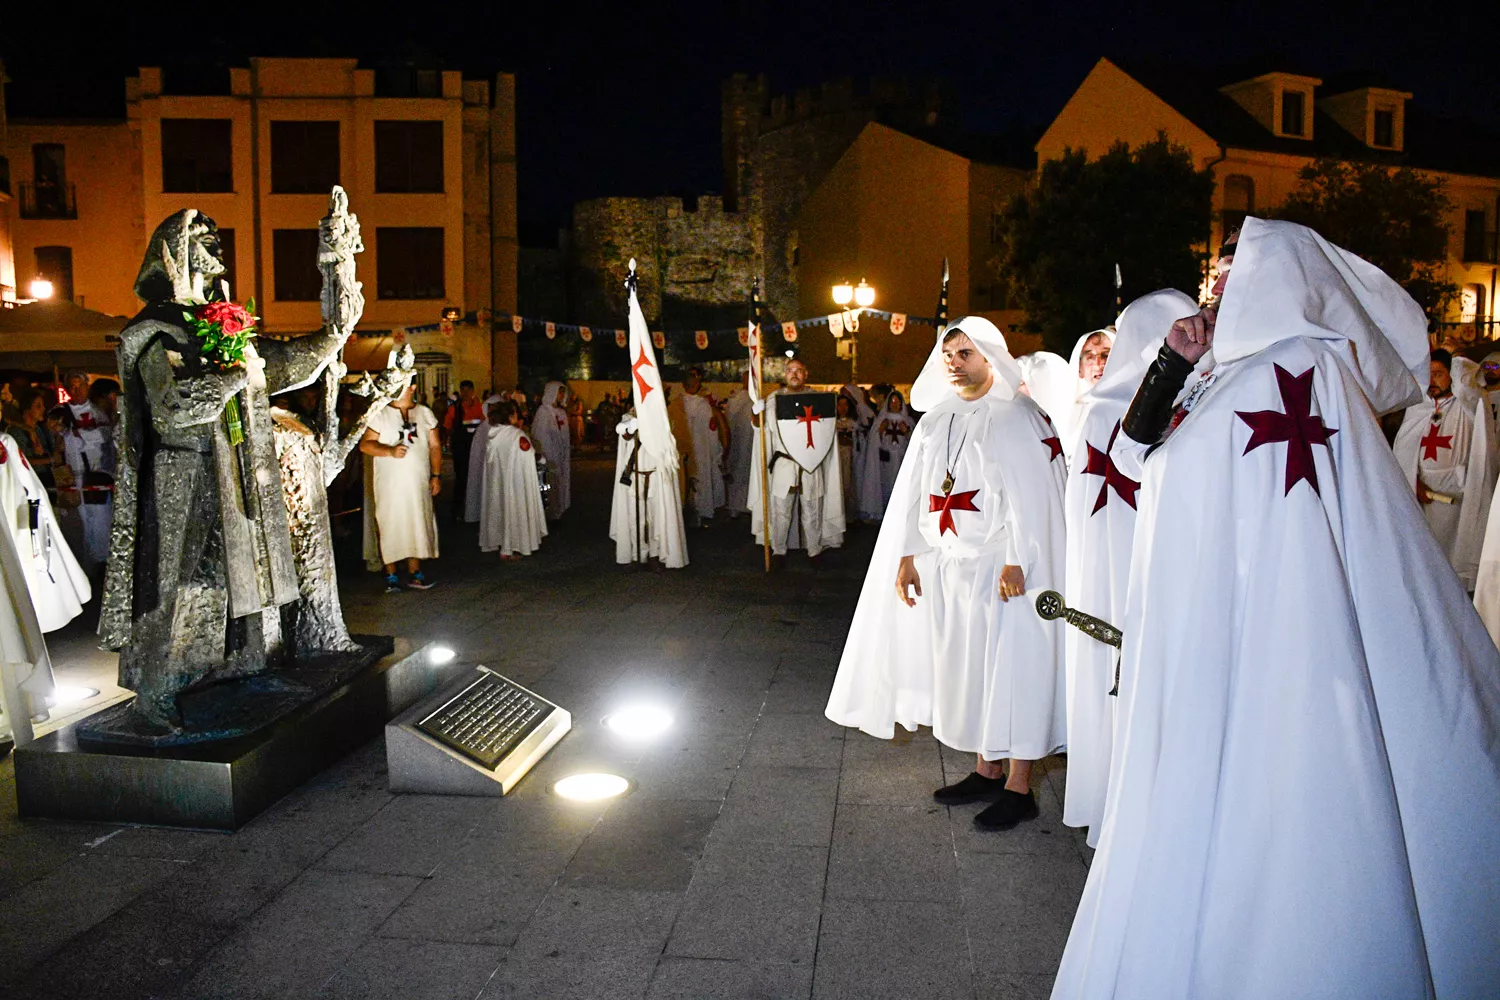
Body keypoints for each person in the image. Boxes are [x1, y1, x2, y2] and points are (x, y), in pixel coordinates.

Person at [1051, 218, 1500, 1000]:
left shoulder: (1301, 366)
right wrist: (1172, 361)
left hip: (1272, 620)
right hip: (1213, 611)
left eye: (1230, 271)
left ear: (1281, 278)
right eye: (1214, 272)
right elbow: (1140, 448)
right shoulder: (1226, 369)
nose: (1214, 283)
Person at [826, 317, 1067, 830]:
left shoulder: (1018, 415)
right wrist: (909, 555)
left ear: (990, 358)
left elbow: (1034, 497)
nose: (954, 363)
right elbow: (914, 491)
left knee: (1012, 671)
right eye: (949, 354)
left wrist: (1019, 560)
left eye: (966, 353)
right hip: (950, 569)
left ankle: (1019, 785)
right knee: (970, 674)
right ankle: (985, 768)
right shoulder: (937, 419)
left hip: (1003, 568)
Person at [1059, 289, 1196, 849]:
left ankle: (1115, 805)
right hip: (1140, 567)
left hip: (1108, 571)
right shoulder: (1118, 411)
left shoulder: (1112, 407)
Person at [1393, 349, 1493, 590]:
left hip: (1457, 498)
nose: (1432, 382)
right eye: (1428, 376)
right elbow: (1404, 454)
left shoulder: (1469, 405)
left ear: (1452, 376)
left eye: (1438, 374)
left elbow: (1469, 383)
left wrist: (1456, 363)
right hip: (1421, 494)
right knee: (1424, 558)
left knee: (1453, 556)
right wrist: (1412, 482)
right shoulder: (1418, 408)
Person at [748, 358, 845, 565]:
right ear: (784, 374)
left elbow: (825, 434)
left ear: (806, 374)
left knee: (812, 510)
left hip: (811, 463)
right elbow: (762, 430)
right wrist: (756, 413)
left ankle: (814, 552)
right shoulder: (774, 400)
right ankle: (779, 552)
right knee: (780, 510)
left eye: (799, 370)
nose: (794, 374)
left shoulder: (819, 400)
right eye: (790, 370)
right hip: (784, 463)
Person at [360, 383, 440, 593]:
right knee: (391, 523)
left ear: (413, 387)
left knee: (416, 522)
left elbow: (434, 446)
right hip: (390, 483)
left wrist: (436, 474)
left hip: (418, 482)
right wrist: (389, 450)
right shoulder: (380, 414)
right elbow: (366, 444)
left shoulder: (424, 413)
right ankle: (391, 574)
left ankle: (415, 572)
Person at [610, 407, 689, 568]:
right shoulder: (628, 417)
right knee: (634, 519)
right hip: (635, 477)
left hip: (655, 477)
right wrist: (633, 426)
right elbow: (625, 435)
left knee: (654, 518)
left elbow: (668, 445)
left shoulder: (661, 417)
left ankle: (654, 554)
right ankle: (637, 555)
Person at [478, 400, 546, 560]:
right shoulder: (517, 435)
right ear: (509, 416)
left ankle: (503, 544)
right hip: (515, 484)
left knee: (500, 509)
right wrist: (540, 458)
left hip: (497, 483)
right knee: (515, 511)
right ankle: (511, 548)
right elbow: (527, 455)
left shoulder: (493, 433)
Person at [855, 389, 916, 521]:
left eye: (898, 402)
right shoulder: (881, 420)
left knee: (901, 486)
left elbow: (915, 443)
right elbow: (873, 441)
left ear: (901, 404)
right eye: (892, 401)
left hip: (901, 459)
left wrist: (907, 432)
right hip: (885, 460)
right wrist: (880, 431)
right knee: (885, 485)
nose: (895, 404)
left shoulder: (908, 421)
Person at [680, 367, 727, 524]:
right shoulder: (704, 406)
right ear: (696, 384)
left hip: (684, 452)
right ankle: (700, 515)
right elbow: (712, 430)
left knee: (686, 482)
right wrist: (717, 452)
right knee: (701, 482)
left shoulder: (676, 404)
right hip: (702, 451)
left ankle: (685, 514)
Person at [443, 380, 485, 522]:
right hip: (461, 448)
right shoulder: (455, 409)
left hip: (477, 447)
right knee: (461, 479)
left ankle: (475, 508)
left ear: (473, 391)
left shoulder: (480, 407)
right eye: (463, 390)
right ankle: (458, 510)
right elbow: (447, 427)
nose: (466, 394)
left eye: (468, 390)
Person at [530, 381, 572, 520]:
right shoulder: (543, 412)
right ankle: (547, 513)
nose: (561, 395)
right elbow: (540, 435)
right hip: (549, 454)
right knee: (548, 482)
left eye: (562, 392)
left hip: (560, 454)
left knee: (560, 480)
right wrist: (548, 453)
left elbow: (564, 435)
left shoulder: (561, 413)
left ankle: (559, 508)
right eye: (559, 392)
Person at [724, 371, 756, 516]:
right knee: (737, 471)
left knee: (750, 472)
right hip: (738, 440)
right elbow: (729, 417)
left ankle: (749, 506)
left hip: (752, 442)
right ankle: (734, 507)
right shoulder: (737, 397)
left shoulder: (757, 397)